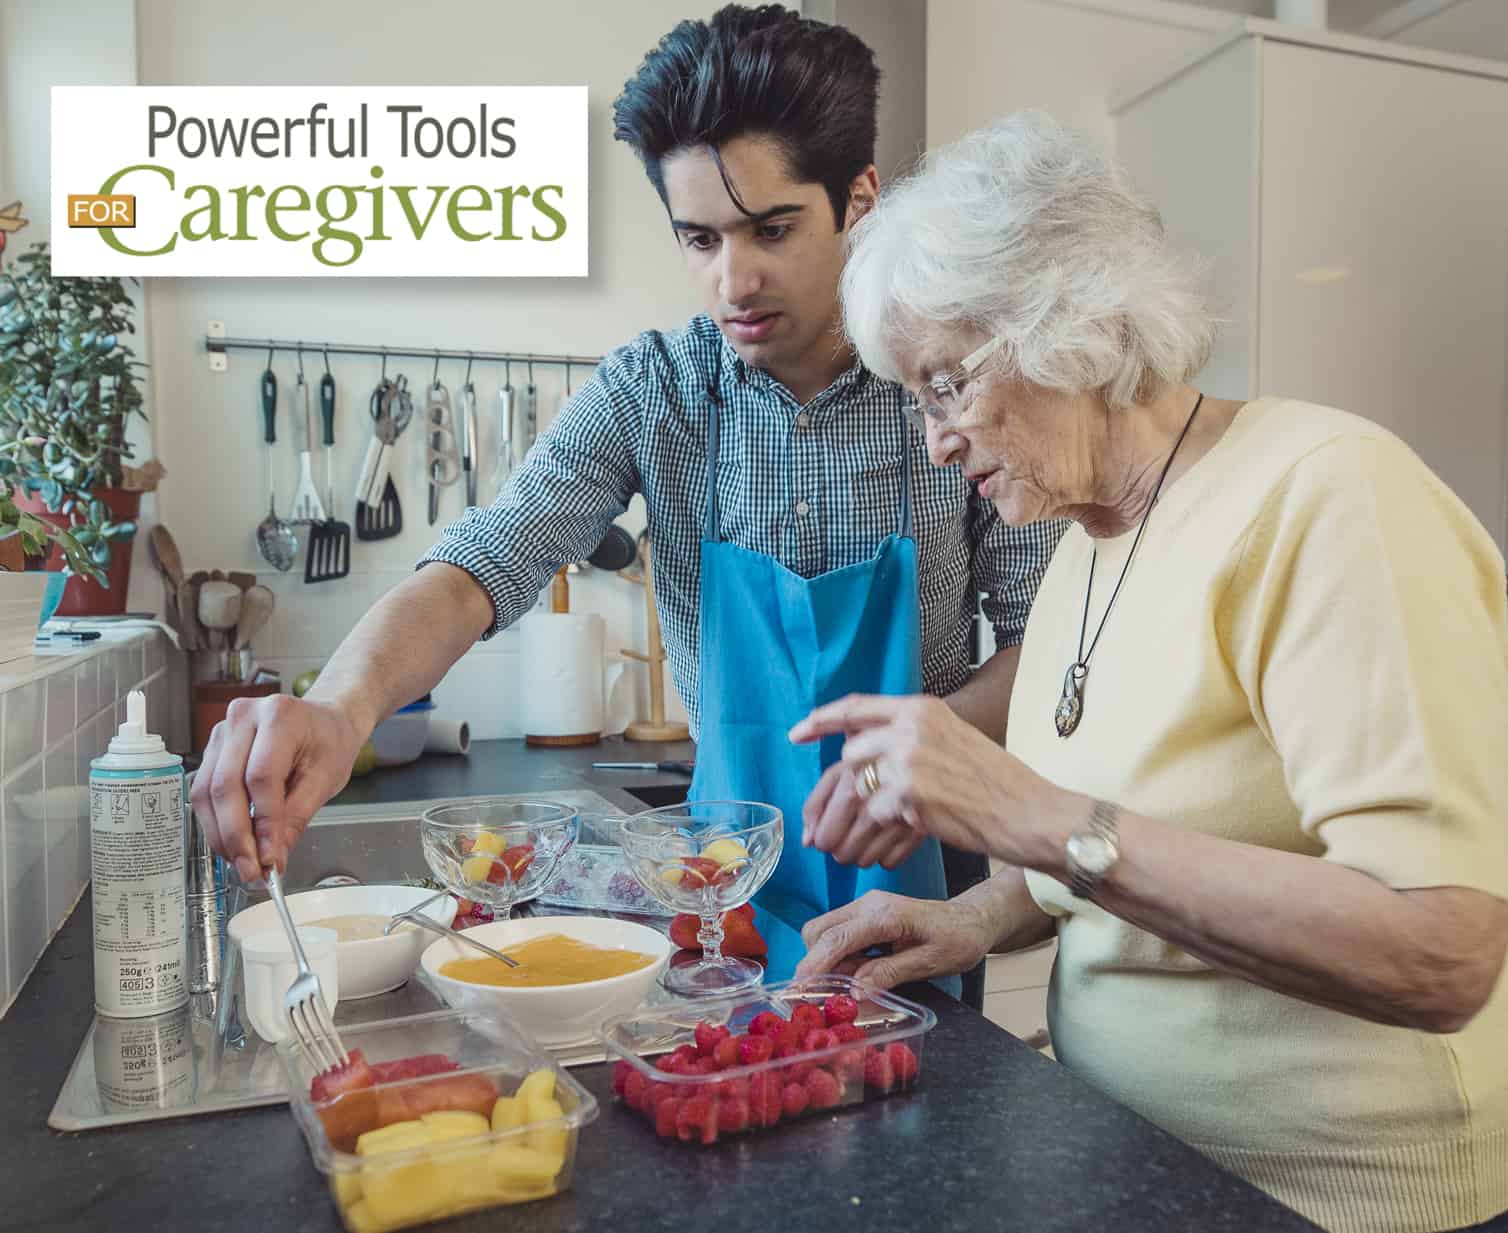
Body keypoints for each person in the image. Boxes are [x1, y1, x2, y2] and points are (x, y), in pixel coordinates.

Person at [190, 7, 1063, 977]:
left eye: (771, 228)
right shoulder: (653, 391)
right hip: (719, 886)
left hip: (925, 869)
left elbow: (1045, 634)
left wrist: (928, 737)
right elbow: (492, 557)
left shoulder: (949, 384)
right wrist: (341, 710)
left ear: (857, 197)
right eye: (697, 239)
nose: (733, 279)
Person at [790, 111, 1508, 1233]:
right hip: (1128, 1153)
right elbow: (1130, 851)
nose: (933, 440)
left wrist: (1031, 815)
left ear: (1065, 320)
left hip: (1329, 1199)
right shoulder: (1084, 546)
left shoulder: (1328, 496)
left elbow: (1439, 949)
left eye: (942, 384)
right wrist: (977, 917)